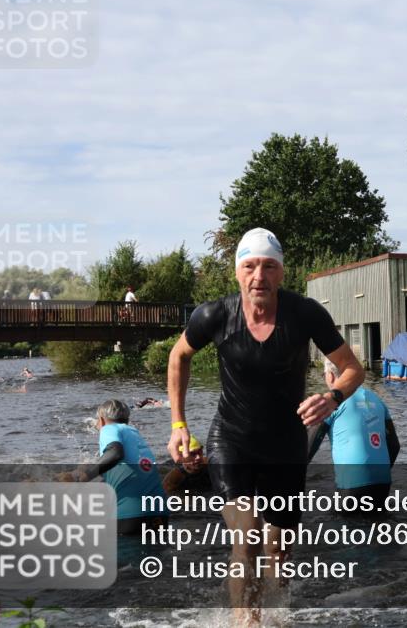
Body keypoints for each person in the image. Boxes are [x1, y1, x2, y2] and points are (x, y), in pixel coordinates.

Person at [166, 227, 364, 626]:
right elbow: (178, 356)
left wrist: (332, 398)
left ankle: (278, 614)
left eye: (269, 266)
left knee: (280, 550)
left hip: (286, 443)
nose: (259, 276)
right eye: (250, 266)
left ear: (281, 273)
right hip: (232, 439)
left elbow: (352, 368)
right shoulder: (215, 315)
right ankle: (248, 622)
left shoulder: (305, 314)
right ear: (237, 272)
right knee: (249, 533)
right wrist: (178, 424)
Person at [61, 399, 168, 535]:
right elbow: (125, 473)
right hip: (160, 514)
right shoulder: (134, 434)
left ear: (102, 419)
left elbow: (115, 453)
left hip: (131, 515)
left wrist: (86, 476)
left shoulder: (109, 429)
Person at [308, 360, 400, 507]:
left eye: (323, 374)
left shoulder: (330, 404)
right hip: (383, 483)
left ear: (330, 376)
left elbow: (308, 447)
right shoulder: (376, 399)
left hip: (352, 485)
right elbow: (394, 446)